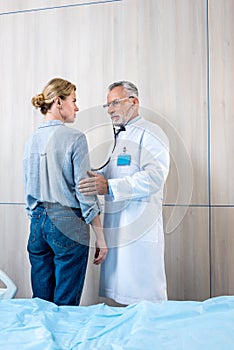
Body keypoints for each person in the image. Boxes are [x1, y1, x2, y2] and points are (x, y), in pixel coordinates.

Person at [78, 81, 170, 305]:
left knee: (144, 300)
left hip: (140, 232)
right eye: (107, 105)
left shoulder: (152, 134)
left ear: (134, 102)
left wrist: (109, 187)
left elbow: (155, 178)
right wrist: (80, 172)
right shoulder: (120, 137)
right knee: (121, 300)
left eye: (115, 103)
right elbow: (108, 172)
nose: (110, 110)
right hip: (119, 229)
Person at [23, 78, 108, 306]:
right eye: (74, 101)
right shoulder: (75, 138)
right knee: (66, 307)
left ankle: (42, 341)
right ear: (58, 102)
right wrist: (101, 237)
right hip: (68, 221)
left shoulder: (31, 141)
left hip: (37, 222)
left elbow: (29, 189)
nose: (77, 107)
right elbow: (86, 192)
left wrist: (39, 221)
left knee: (41, 304)